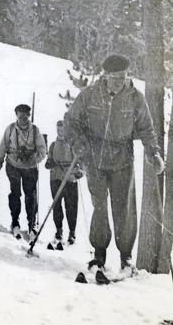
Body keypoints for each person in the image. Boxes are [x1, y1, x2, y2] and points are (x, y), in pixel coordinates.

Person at [64, 53, 164, 275]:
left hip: (122, 159)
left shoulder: (135, 97)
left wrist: (153, 152)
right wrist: (77, 143)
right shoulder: (90, 95)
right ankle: (99, 255)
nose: (120, 82)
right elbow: (71, 121)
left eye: (124, 77)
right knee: (99, 206)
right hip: (95, 158)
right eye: (115, 78)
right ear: (106, 76)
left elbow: (147, 129)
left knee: (124, 210)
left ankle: (126, 258)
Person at [0, 103, 47, 241]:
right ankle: (15, 221)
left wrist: (33, 157)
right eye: (20, 115)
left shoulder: (35, 131)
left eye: (25, 115)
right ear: (16, 115)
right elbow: (3, 145)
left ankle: (31, 222)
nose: (23, 118)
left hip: (30, 168)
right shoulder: (11, 129)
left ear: (29, 116)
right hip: (13, 165)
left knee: (30, 195)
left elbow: (42, 150)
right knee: (15, 193)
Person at [45, 120, 83, 249]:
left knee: (71, 207)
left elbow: (80, 162)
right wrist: (50, 163)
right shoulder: (53, 145)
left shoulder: (73, 145)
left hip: (70, 179)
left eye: (62, 130)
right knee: (56, 206)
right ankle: (59, 231)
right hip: (56, 179)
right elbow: (48, 161)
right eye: (58, 130)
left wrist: (79, 172)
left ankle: (72, 233)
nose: (60, 132)